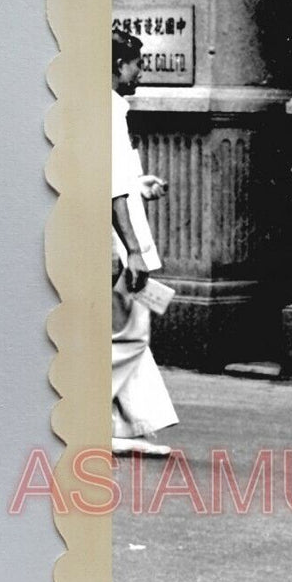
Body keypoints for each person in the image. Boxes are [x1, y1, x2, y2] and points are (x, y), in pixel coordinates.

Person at [110, 28, 178, 456]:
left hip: (122, 239)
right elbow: (111, 185)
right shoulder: (110, 110)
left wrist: (141, 184)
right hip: (121, 244)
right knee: (129, 333)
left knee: (134, 330)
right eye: (137, 63)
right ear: (119, 66)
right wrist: (132, 251)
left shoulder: (113, 108)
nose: (141, 71)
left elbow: (122, 180)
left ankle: (131, 427)